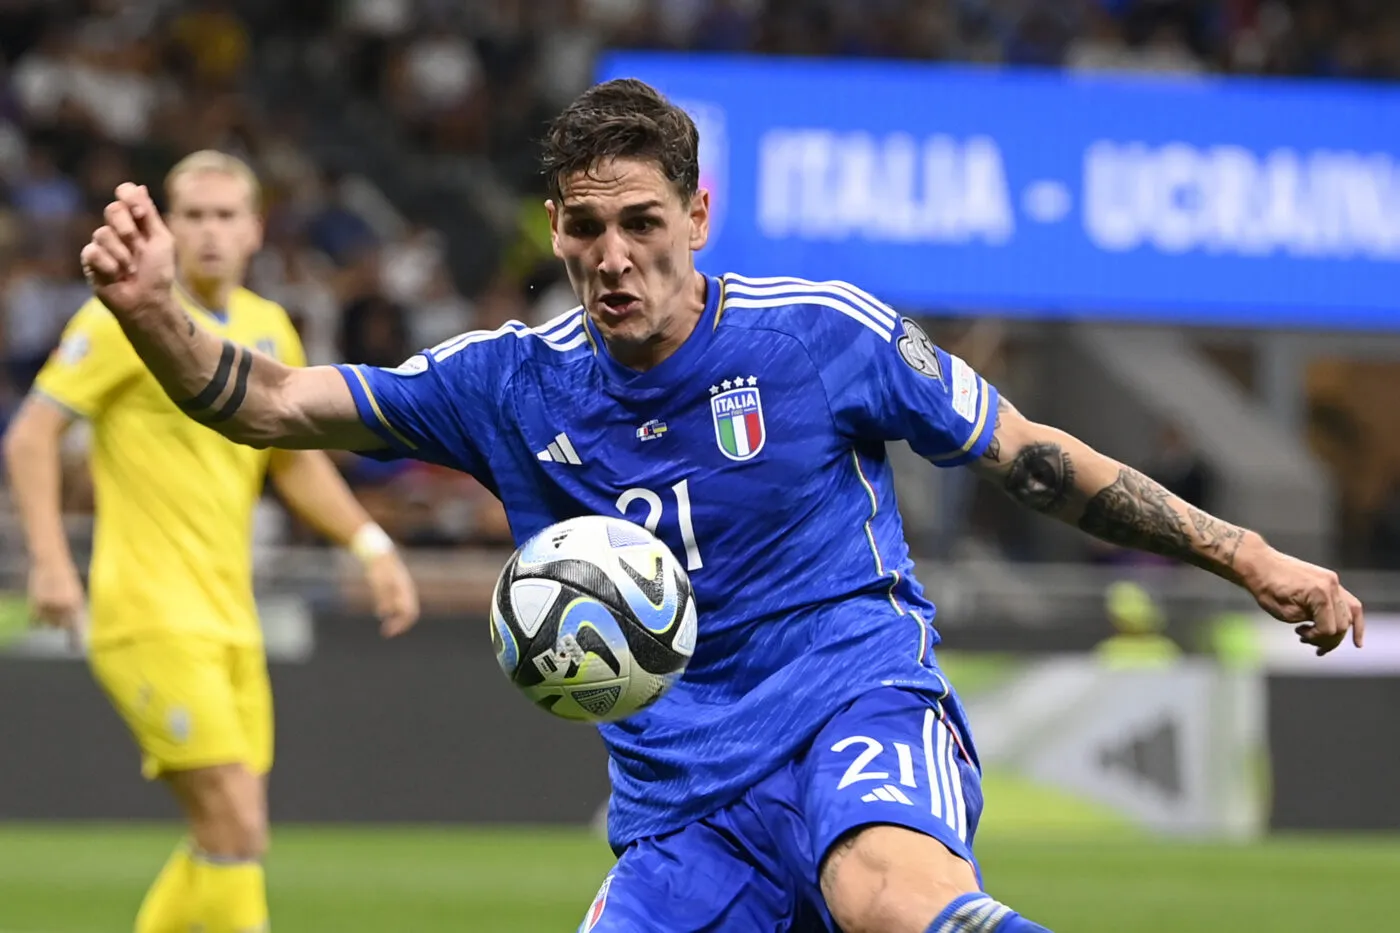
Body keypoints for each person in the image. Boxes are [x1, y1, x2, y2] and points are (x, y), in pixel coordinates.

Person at [77, 83, 1362, 933]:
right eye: (587, 229)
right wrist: (151, 316)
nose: (615, 256)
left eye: (644, 222)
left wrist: (1246, 553)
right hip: (683, 808)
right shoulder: (509, 386)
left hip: (850, 709)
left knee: (884, 896)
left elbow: (1029, 458)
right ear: (555, 229)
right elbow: (272, 401)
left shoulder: (819, 338)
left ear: (698, 212)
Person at [5, 150, 420, 933]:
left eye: (226, 215)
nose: (209, 232)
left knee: (224, 838)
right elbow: (31, 435)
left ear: (256, 229)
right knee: (238, 825)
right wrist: (51, 563)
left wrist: (370, 544)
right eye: (192, 215)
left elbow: (294, 466)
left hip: (233, 617)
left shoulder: (267, 327)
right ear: (166, 226)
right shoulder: (124, 314)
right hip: (147, 612)